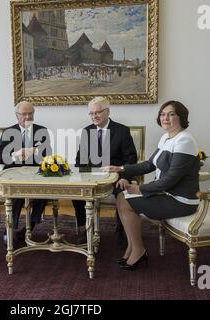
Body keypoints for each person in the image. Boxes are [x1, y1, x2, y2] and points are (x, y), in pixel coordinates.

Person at [106, 100, 200, 270]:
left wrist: (140, 189)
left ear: (181, 117)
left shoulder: (185, 141)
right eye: (163, 114)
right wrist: (121, 168)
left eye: (171, 114)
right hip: (167, 194)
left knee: (127, 202)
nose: (166, 118)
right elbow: (149, 165)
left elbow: (171, 179)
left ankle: (139, 250)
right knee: (120, 196)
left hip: (180, 200)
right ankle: (132, 246)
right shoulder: (166, 137)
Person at [73, 96, 137, 244]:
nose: (94, 116)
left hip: (116, 177)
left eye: (98, 112)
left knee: (122, 193)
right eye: (91, 113)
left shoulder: (121, 130)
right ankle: (86, 227)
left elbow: (131, 158)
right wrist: (83, 176)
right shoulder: (87, 131)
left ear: (107, 111)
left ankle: (122, 229)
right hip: (91, 177)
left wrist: (124, 176)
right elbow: (80, 160)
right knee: (76, 192)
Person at [0, 101, 52, 243]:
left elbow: (48, 155)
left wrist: (36, 152)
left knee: (44, 193)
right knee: (16, 194)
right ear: (17, 115)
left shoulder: (42, 131)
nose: (27, 117)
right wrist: (15, 154)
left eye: (30, 114)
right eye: (23, 114)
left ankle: (29, 227)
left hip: (36, 174)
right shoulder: (8, 132)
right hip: (14, 172)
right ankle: (11, 228)